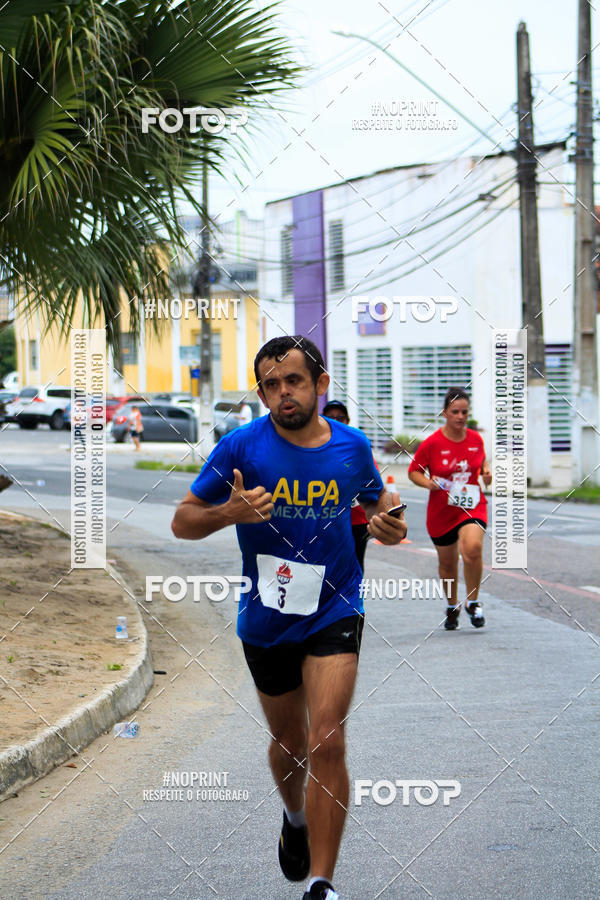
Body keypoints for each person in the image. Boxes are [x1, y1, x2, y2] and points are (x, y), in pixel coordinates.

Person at [172, 335, 407, 900]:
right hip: (267, 615)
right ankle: (295, 817)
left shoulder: (351, 447)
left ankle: (322, 884)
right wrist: (229, 511)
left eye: (293, 381)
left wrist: (389, 524)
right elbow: (183, 520)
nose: (282, 394)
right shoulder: (239, 448)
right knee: (291, 743)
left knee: (327, 740)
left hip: (335, 605)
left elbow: (378, 503)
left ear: (320, 385)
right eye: (270, 385)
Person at [407, 387, 492, 630]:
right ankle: (452, 605)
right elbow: (413, 471)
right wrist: (428, 483)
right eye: (455, 411)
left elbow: (481, 462)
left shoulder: (476, 439)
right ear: (445, 413)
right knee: (447, 563)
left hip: (472, 505)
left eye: (465, 412)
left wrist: (486, 473)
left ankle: (473, 602)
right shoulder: (433, 443)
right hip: (441, 510)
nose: (460, 416)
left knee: (472, 550)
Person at [321, 400, 372, 572]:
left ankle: (354, 598)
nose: (335, 421)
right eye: (330, 417)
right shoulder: (314, 448)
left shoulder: (357, 445)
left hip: (356, 520)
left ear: (347, 421)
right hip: (324, 519)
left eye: (340, 418)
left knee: (355, 566)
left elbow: (372, 482)